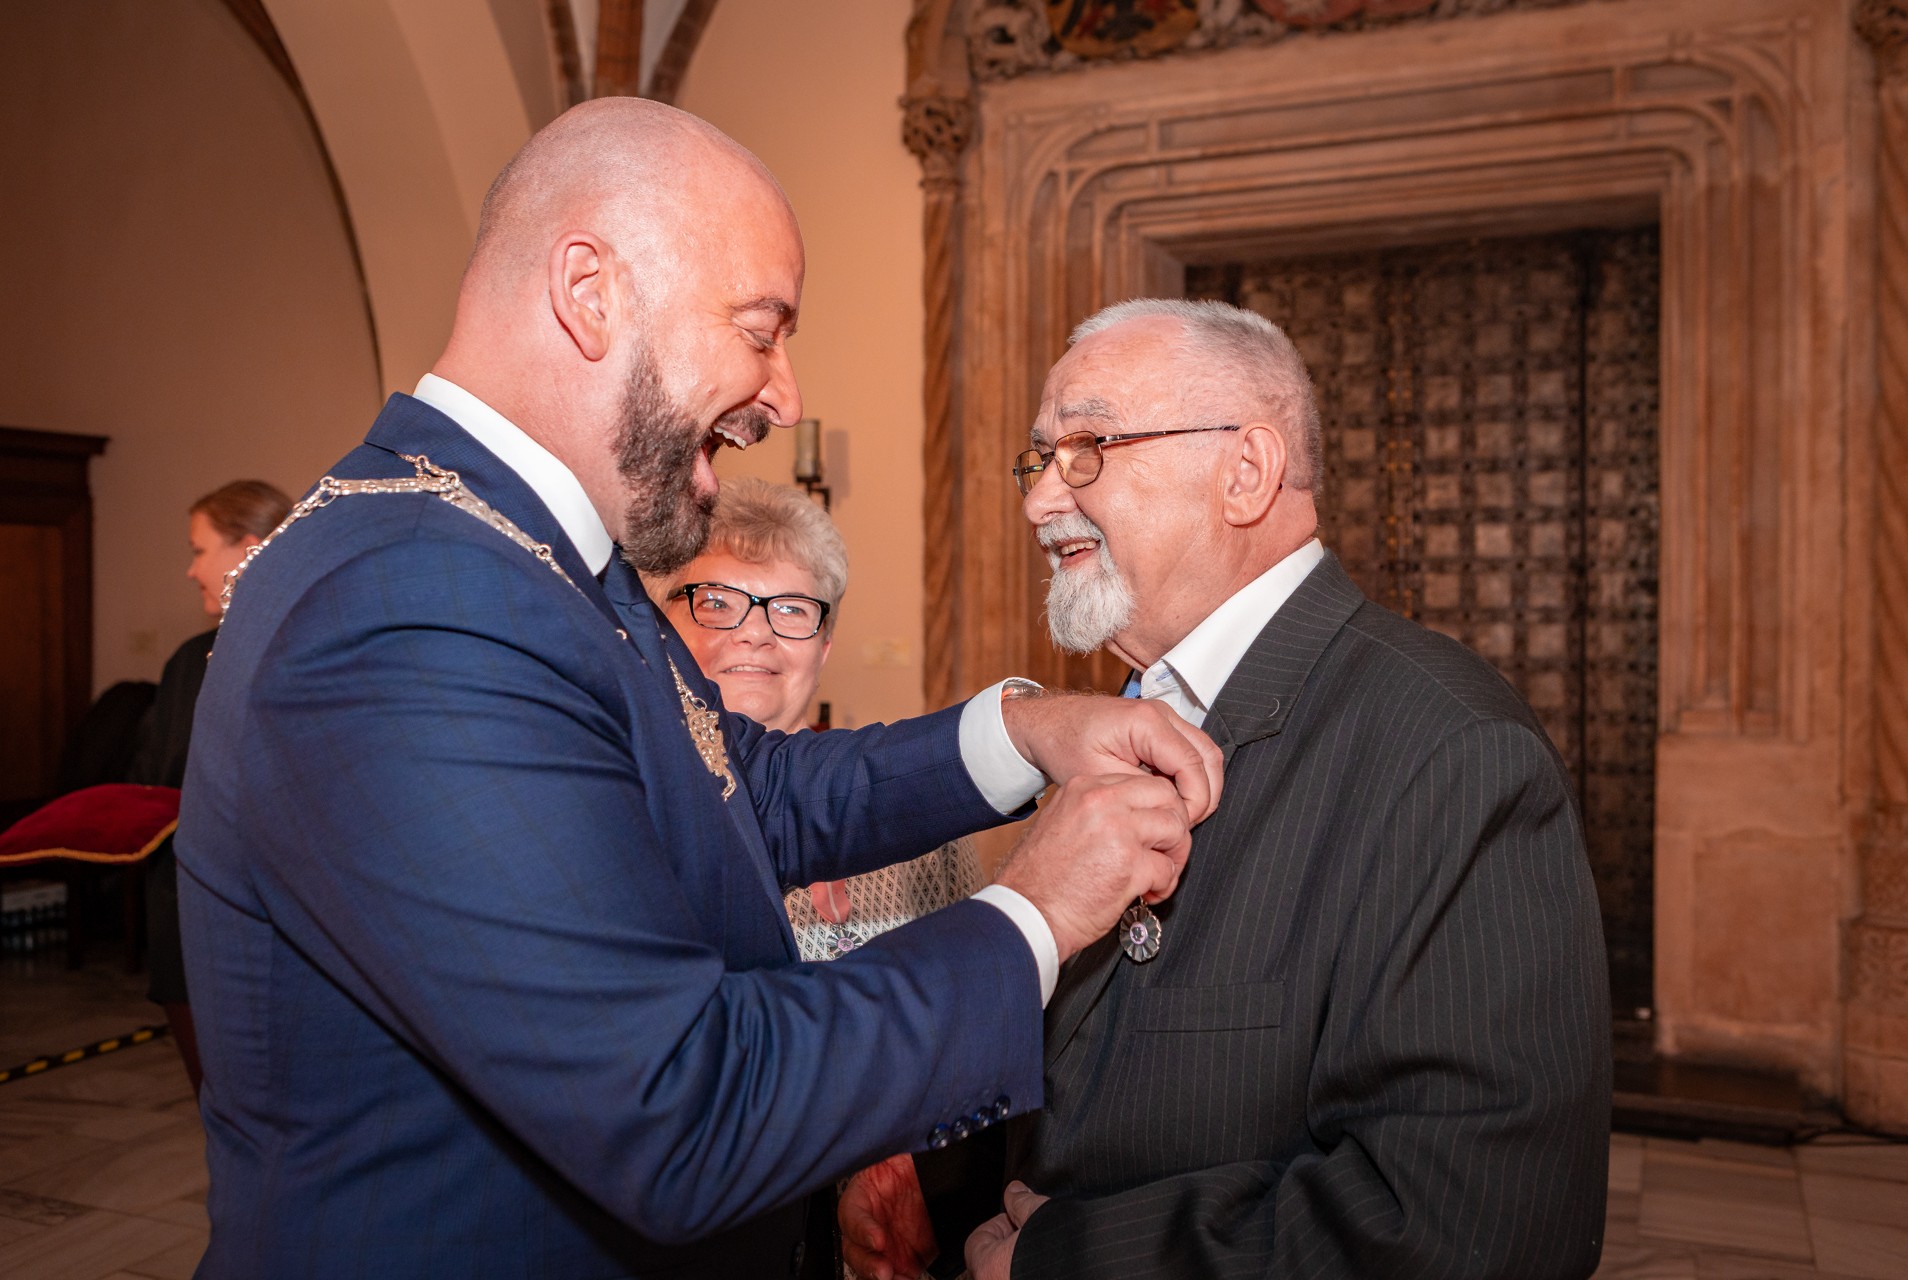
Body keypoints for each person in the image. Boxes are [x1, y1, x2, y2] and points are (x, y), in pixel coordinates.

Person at [175, 99, 1221, 1280]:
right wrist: (1038, 906)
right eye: (761, 330)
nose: (785, 394)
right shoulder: (412, 601)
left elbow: (737, 786)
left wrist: (1024, 729)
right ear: (590, 292)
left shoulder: (527, 554)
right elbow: (680, 1106)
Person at [844, 298, 1611, 1280]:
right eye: (1040, 459)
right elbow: (1078, 1064)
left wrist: (1062, 1262)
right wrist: (910, 1171)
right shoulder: (1119, 719)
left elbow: (1476, 1226)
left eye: (1088, 446)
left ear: (1245, 471)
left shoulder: (1455, 754)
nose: (1040, 502)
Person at [653, 477, 981, 961]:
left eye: (790, 609)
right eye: (717, 602)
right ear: (659, 632)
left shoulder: (922, 802)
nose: (756, 634)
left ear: (824, 648)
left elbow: (975, 983)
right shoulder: (635, 805)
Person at [127, 479, 291, 1095]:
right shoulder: (192, 659)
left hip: (230, 916)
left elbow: (159, 776)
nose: (191, 569)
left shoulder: (251, 652)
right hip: (215, 913)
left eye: (199, 550)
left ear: (247, 548)